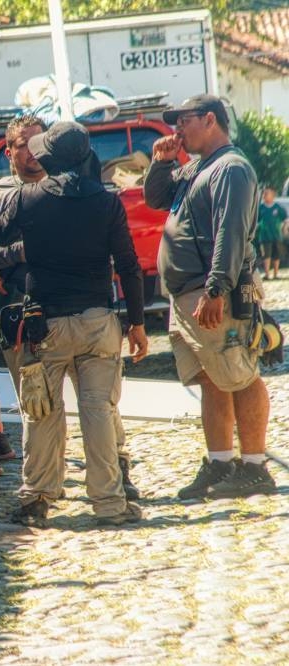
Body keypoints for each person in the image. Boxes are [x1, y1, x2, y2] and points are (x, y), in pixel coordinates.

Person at [0, 121, 148, 528]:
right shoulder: (108, 202)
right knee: (98, 410)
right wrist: (136, 324)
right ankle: (110, 505)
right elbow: (129, 267)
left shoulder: (26, 200)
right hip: (98, 320)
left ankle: (35, 500)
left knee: (42, 411)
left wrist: (8, 259)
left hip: (45, 324)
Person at [145, 94, 276, 500]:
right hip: (186, 295)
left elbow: (230, 233)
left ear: (209, 119)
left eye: (183, 121)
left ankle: (254, 467)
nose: (177, 130)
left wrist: (217, 288)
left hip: (212, 291)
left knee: (240, 374)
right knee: (211, 379)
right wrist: (162, 162)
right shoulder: (197, 167)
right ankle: (220, 463)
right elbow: (156, 198)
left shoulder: (231, 168)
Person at [257, 186, 286, 280]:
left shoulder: (278, 207)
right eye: (264, 193)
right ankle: (266, 274)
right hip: (264, 236)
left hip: (276, 236)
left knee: (276, 256)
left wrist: (285, 228)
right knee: (266, 255)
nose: (264, 195)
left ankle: (276, 274)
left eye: (266, 193)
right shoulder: (260, 208)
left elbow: (286, 219)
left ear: (273, 195)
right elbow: (255, 221)